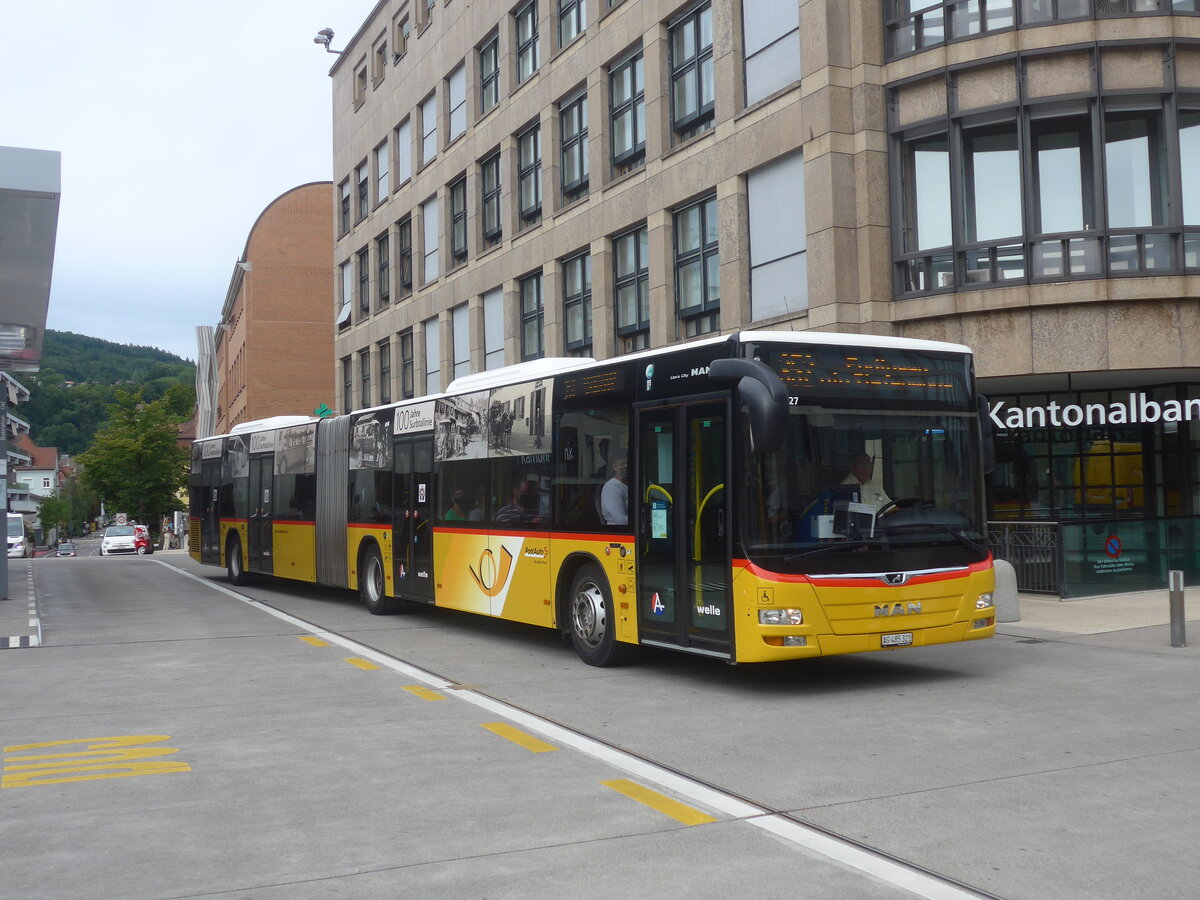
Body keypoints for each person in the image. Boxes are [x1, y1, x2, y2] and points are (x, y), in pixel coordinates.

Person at [601, 458, 629, 526]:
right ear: (614, 467)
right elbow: (622, 521)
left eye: (628, 464)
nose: (626, 466)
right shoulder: (612, 488)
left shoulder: (635, 481)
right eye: (622, 464)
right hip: (621, 533)